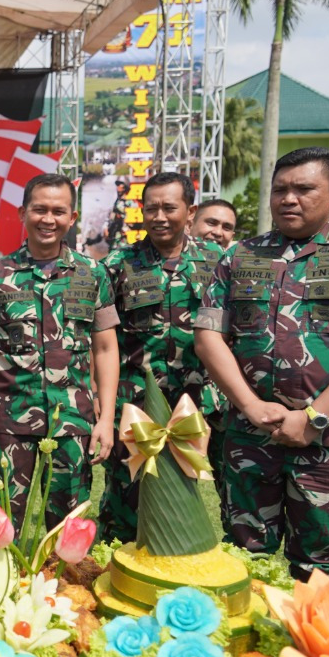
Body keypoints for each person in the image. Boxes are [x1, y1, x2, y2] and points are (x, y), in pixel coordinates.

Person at [194, 146, 329, 580]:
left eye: (304, 189)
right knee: (242, 560)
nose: (288, 199)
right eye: (280, 190)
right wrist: (251, 407)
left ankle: (306, 647)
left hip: (327, 440)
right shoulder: (240, 256)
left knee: (321, 566)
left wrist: (314, 416)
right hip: (250, 436)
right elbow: (209, 336)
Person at [0, 172, 120, 527]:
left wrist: (106, 419)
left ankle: (64, 586)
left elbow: (107, 349)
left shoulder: (93, 274)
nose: (48, 219)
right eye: (39, 210)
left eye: (58, 211)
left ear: (72, 218)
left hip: (73, 422)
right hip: (8, 422)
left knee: (68, 527)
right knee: (0, 524)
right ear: (22, 213)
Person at [98, 173, 227, 539]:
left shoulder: (219, 262)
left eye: (169, 207)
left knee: (208, 495)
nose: (159, 216)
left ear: (190, 211)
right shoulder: (119, 263)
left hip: (204, 404)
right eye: (150, 207)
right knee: (128, 498)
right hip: (138, 404)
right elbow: (103, 340)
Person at [105, 178, 137, 251]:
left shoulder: (130, 202)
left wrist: (123, 220)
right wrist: (106, 227)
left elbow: (134, 219)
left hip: (125, 236)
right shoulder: (116, 201)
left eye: (120, 185)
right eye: (117, 185)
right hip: (115, 234)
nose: (118, 188)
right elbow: (110, 216)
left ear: (125, 187)